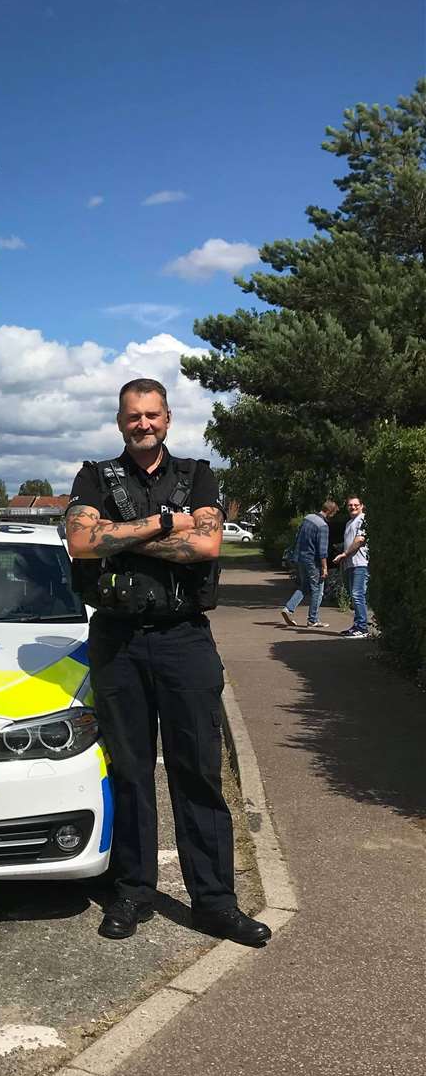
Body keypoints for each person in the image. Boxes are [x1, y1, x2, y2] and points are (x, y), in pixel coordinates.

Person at [66, 378, 271, 948]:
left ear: (168, 418)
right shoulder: (94, 477)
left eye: (152, 415)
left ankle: (214, 902)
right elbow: (81, 543)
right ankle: (132, 892)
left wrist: (119, 536)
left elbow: (206, 546)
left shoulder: (198, 475)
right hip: (118, 640)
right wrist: (162, 524)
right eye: (133, 416)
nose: (144, 425)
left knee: (198, 771)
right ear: (119, 421)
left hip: (184, 640)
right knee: (130, 772)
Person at [280, 500, 338, 630]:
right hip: (312, 561)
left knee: (304, 586)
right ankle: (313, 620)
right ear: (330, 511)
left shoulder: (307, 518)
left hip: (300, 558)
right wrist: (324, 568)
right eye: (333, 514)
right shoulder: (322, 525)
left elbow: (297, 538)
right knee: (318, 589)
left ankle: (288, 608)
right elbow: (322, 550)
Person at [333, 495, 369, 638]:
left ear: (362, 506)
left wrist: (344, 554)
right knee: (353, 595)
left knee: (357, 595)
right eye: (350, 505)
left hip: (360, 563)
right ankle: (357, 625)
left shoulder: (363, 519)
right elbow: (350, 541)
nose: (353, 507)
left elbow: (360, 540)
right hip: (350, 564)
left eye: (356, 505)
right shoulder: (349, 523)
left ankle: (362, 628)